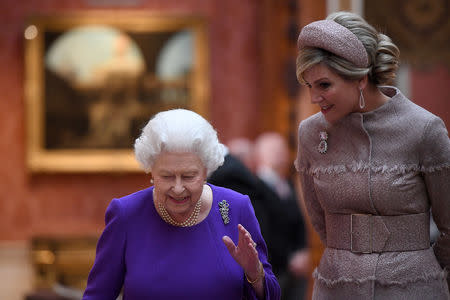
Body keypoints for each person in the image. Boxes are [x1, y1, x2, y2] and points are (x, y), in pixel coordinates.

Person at [294, 11, 449, 299]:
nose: (315, 98)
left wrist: (420, 270)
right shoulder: (310, 133)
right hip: (336, 287)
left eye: (324, 85)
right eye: (309, 86)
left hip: (412, 287)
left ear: (361, 79)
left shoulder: (424, 129)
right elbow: (318, 219)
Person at [82, 109, 281, 300]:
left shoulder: (236, 207)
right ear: (151, 170)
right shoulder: (127, 214)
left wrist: (255, 273)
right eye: (167, 176)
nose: (178, 188)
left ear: (206, 170)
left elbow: (272, 295)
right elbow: (97, 295)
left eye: (188, 176)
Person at [254, 132, 309, 300]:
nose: (280, 155)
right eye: (273, 150)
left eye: (282, 150)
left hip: (296, 269)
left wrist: (302, 252)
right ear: (260, 155)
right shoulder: (255, 187)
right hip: (272, 268)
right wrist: (286, 259)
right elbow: (262, 231)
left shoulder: (288, 185)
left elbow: (299, 223)